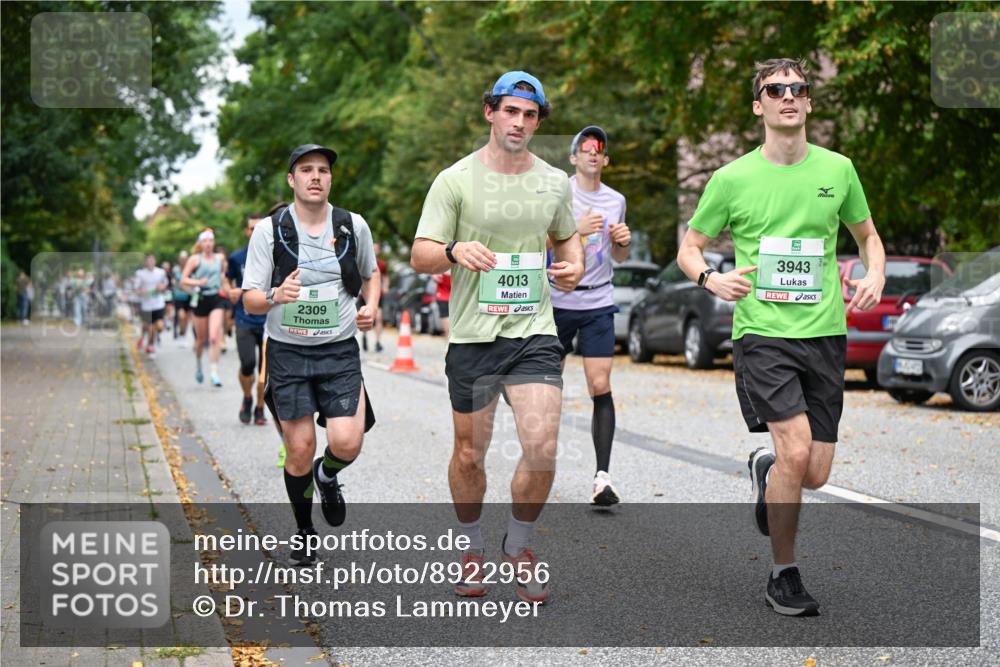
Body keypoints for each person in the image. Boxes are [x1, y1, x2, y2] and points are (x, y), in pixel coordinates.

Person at [677, 58, 886, 617]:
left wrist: (876, 274)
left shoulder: (839, 169)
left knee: (813, 471)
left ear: (809, 102)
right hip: (763, 333)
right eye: (775, 89)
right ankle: (782, 574)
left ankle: (767, 470)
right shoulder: (731, 178)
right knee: (795, 450)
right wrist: (710, 278)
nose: (788, 95)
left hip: (826, 333)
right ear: (759, 105)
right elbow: (689, 248)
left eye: (798, 88)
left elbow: (868, 236)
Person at [411, 71, 584, 604]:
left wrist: (574, 267)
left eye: (530, 115)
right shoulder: (454, 180)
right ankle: (470, 547)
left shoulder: (554, 182)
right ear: (490, 112)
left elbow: (567, 239)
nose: (519, 122)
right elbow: (420, 254)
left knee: (542, 447)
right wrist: (454, 251)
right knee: (469, 455)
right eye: (510, 111)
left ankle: (519, 545)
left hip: (534, 331)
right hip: (474, 337)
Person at [242, 144, 380, 566]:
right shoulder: (270, 230)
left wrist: (371, 307)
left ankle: (328, 473)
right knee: (299, 448)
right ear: (292, 179)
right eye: (306, 170)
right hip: (288, 352)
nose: (315, 176)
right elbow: (250, 300)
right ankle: (304, 531)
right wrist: (275, 295)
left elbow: (371, 274)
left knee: (347, 443)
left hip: (339, 350)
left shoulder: (352, 225)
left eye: (323, 170)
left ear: (330, 179)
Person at [551, 125, 631, 506]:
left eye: (599, 148)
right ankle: (539, 461)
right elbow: (537, 241)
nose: (593, 152)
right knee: (545, 387)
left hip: (599, 300)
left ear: (606, 159)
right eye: (585, 148)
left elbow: (619, 257)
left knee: (600, 385)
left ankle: (602, 477)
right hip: (558, 300)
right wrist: (575, 230)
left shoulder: (616, 200)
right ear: (573, 158)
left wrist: (622, 243)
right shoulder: (560, 193)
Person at [226, 213, 269, 426]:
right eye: (252, 228)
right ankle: (247, 397)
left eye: (259, 228)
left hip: (268, 322)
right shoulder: (236, 257)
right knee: (248, 364)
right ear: (247, 231)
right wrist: (230, 291)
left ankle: (260, 408)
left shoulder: (273, 255)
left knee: (264, 370)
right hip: (244, 319)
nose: (255, 232)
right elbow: (227, 280)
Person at [181, 229, 227, 386]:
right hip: (200, 299)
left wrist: (224, 284)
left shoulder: (220, 258)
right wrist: (197, 283)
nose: (208, 244)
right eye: (205, 241)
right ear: (200, 244)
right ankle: (199, 364)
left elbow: (223, 274)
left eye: (210, 241)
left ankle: (214, 373)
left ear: (214, 242)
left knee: (214, 337)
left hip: (216, 298)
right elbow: (183, 280)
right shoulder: (195, 259)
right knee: (201, 340)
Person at [134, 254, 168, 356]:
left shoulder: (161, 272)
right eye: (148, 260)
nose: (150, 262)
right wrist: (141, 291)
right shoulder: (140, 273)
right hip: (146, 305)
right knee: (149, 327)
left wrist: (161, 287)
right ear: (145, 262)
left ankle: (151, 338)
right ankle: (151, 345)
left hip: (158, 303)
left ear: (155, 261)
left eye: (152, 260)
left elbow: (165, 285)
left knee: (160, 326)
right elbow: (136, 289)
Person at [361, 243, 388, 353]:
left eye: (376, 249)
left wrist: (385, 287)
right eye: (373, 248)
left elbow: (385, 277)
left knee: (378, 317)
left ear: (379, 251)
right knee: (365, 317)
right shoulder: (363, 262)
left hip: (378, 294)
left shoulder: (382, 264)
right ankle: (364, 336)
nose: (374, 250)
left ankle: (378, 342)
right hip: (363, 294)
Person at [172, 251, 192, 347]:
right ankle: (181, 334)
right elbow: (176, 282)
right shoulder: (176, 270)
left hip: (189, 297)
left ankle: (183, 335)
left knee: (186, 318)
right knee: (181, 316)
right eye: (182, 259)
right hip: (179, 297)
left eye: (185, 259)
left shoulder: (190, 269)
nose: (183, 261)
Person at [432, 270, 451, 338]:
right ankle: (449, 336)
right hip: (450, 296)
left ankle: (448, 336)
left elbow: (436, 278)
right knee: (447, 316)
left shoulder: (441, 268)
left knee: (445, 316)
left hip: (442, 296)